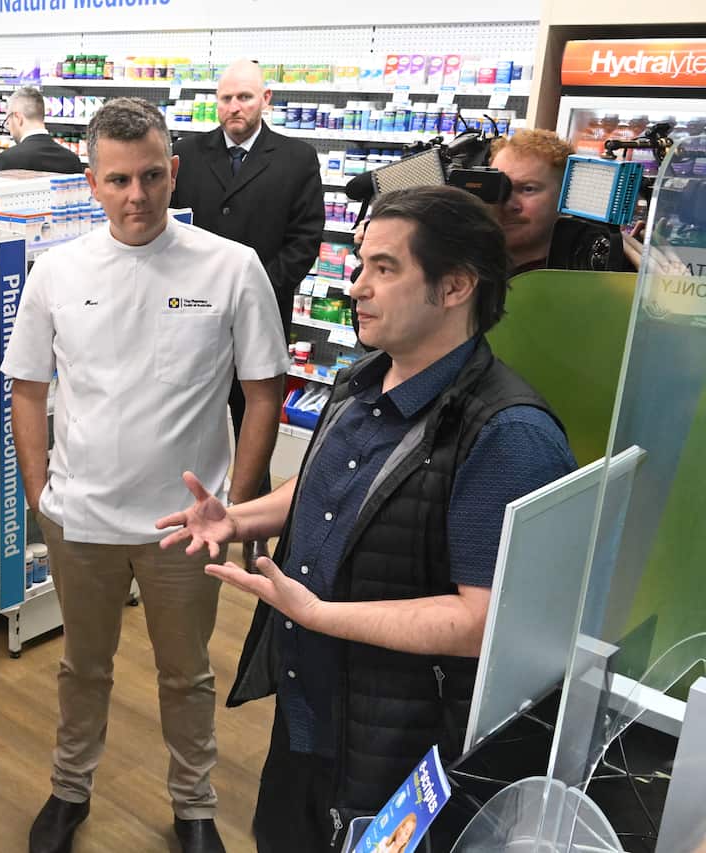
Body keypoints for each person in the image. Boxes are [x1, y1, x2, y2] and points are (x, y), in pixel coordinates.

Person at [157, 186, 578, 852]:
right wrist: (237, 518)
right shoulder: (363, 380)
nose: (357, 287)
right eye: (360, 264)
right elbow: (327, 485)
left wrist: (321, 614)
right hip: (312, 716)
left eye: (385, 269)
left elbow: (485, 622)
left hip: (397, 740)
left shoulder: (507, 436)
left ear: (455, 287)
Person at [4, 97, 288, 853]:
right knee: (81, 665)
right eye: (120, 179)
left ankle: (194, 803)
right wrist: (40, 494)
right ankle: (69, 788)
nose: (138, 196)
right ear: (92, 181)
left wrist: (234, 503)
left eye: (153, 176)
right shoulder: (59, 270)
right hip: (83, 517)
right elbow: (26, 385)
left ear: (175, 171)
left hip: (185, 524)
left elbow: (264, 390)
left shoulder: (231, 267)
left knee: (186, 673)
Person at [169, 59, 324, 490]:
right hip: (190, 313)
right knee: (188, 418)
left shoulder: (296, 158)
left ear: (265, 100)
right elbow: (171, 227)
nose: (234, 107)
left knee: (254, 422)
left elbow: (305, 240)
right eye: (226, 98)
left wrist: (253, 290)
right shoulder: (189, 152)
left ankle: (251, 526)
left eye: (244, 97)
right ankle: (187, 507)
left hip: (262, 314)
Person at [488, 128, 575, 275]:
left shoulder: (578, 278)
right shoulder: (466, 266)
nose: (509, 205)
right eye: (500, 187)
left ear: (566, 197)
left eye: (528, 189)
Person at [0, 87, 85, 174]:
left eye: (8, 121)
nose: (9, 128)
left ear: (18, 118)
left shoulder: (6, 160)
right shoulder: (72, 160)